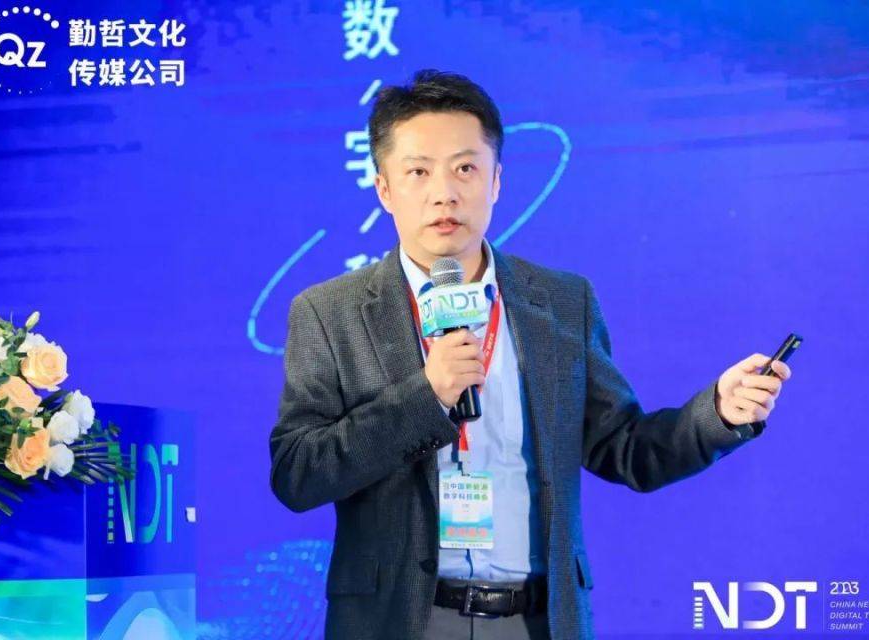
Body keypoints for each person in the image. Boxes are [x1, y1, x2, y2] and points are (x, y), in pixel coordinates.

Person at [269, 69, 792, 640]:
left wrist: (717, 413)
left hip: (535, 620)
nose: (444, 193)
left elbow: (625, 449)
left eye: (465, 168)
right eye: (418, 172)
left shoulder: (563, 302)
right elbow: (299, 474)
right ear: (384, 189)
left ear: (496, 181)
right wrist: (427, 397)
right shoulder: (330, 312)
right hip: (399, 622)